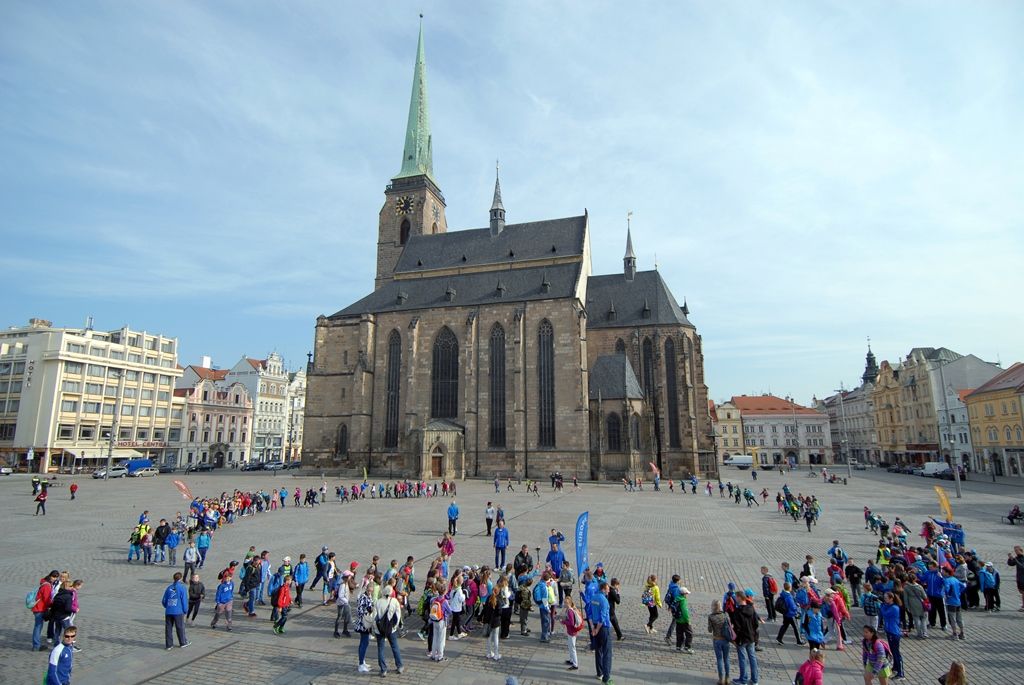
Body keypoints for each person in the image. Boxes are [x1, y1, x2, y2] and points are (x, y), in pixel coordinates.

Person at [730, 588, 760, 685]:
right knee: (752, 658)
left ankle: (743, 679)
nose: (735, 599)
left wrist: (735, 639)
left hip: (742, 639)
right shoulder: (751, 608)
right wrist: (753, 633)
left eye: (736, 597)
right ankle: (755, 679)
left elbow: (737, 627)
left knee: (743, 659)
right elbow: (756, 623)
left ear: (739, 598)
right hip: (751, 637)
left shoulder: (737, 612)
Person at [589, 579, 613, 684]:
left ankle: (599, 673)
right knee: (607, 653)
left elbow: (589, 613)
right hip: (603, 628)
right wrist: (597, 629)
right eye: (607, 589)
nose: (608, 591)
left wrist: (593, 628)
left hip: (594, 625)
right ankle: (606, 678)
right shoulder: (604, 600)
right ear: (603, 589)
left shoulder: (593, 597)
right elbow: (602, 617)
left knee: (598, 651)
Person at [162, 572, 190, 649]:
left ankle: (169, 645)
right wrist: (185, 610)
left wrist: (168, 606)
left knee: (168, 628)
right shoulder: (182, 587)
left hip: (169, 611)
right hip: (178, 611)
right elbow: (184, 600)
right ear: (180, 579)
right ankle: (182, 642)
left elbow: (164, 601)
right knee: (180, 627)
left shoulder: (169, 588)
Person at [707, 599, 731, 685]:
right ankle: (727, 678)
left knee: (719, 659)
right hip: (726, 640)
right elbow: (729, 626)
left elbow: (710, 630)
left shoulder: (711, 617)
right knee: (726, 659)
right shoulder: (725, 615)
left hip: (717, 640)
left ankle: (721, 679)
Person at [562, 595, 584, 670]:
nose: (564, 604)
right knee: (570, 646)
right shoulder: (569, 610)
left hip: (572, 631)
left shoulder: (570, 611)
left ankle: (575, 664)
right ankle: (571, 660)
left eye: (565, 603)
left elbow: (571, 623)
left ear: (569, 603)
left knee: (572, 647)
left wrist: (564, 622)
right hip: (570, 631)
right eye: (564, 602)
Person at [481, 584, 503, 660]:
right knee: (496, 638)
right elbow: (500, 612)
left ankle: (489, 653)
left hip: (488, 621)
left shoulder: (488, 598)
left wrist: (481, 617)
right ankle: (496, 654)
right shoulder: (498, 600)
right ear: (498, 592)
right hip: (495, 622)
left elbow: (484, 609)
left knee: (489, 638)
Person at [672, 585, 693, 653]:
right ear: (684, 594)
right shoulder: (683, 600)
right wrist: (688, 620)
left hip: (678, 620)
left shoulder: (676, 598)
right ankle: (687, 647)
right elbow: (685, 611)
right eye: (686, 593)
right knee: (689, 634)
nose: (687, 595)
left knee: (679, 634)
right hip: (684, 620)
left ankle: (678, 647)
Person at [1008, 545, 1024, 611]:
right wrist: (1010, 558)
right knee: (1021, 591)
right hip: (1019, 577)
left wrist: (1015, 559)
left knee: (1023, 592)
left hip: (1023, 577)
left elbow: (1022, 566)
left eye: (1016, 551)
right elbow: (1011, 564)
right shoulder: (1017, 557)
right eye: (1015, 551)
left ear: (1021, 550)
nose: (1015, 552)